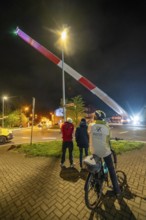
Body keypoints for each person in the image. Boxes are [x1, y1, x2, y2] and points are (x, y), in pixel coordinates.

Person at [88, 110, 121, 196]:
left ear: (95, 117)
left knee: (96, 168)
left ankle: (97, 187)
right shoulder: (106, 126)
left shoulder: (91, 125)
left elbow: (89, 134)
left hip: (94, 151)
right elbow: (108, 139)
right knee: (111, 170)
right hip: (105, 151)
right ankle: (117, 191)